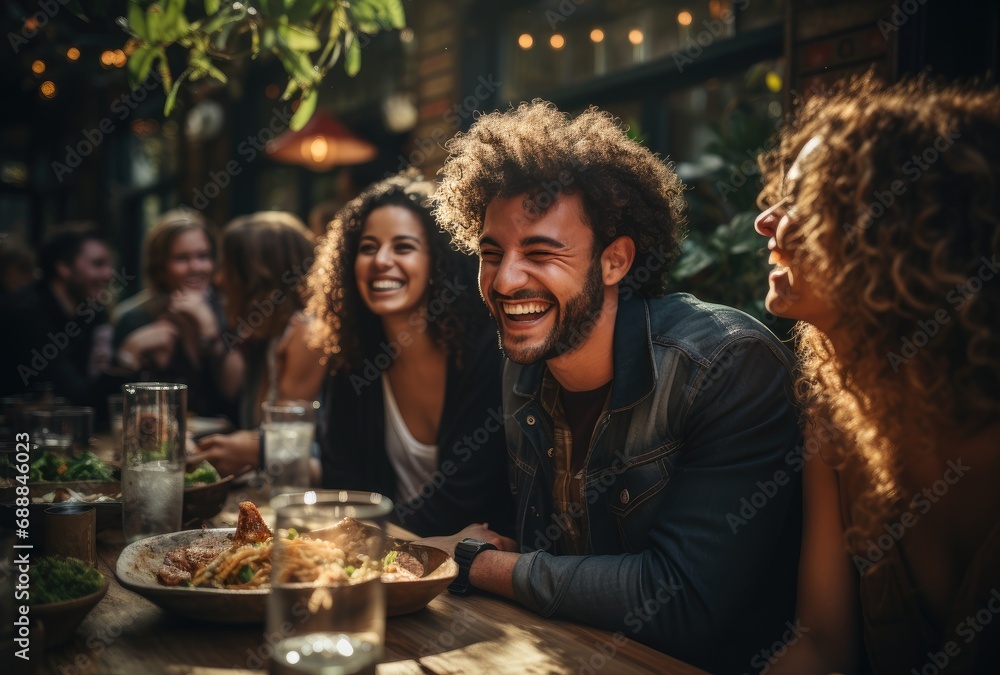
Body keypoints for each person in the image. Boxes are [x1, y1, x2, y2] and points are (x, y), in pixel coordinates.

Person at [425, 101, 803, 672]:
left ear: (615, 261)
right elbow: (556, 569)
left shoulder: (725, 366)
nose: (504, 281)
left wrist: (478, 563)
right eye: (492, 253)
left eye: (540, 252)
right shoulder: (526, 366)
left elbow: (682, 603)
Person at [754, 74, 1000, 674]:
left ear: (900, 236)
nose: (767, 222)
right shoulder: (835, 418)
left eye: (803, 202)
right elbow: (821, 644)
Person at [304, 171, 515, 538]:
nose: (381, 260)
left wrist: (370, 533)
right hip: (380, 565)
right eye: (367, 247)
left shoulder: (489, 352)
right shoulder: (352, 361)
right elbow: (346, 489)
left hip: (478, 579)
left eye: (403, 247)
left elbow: (465, 503)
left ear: (438, 260)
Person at [192, 211, 326, 477]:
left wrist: (253, 451)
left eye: (227, 268)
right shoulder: (264, 337)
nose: (218, 280)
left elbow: (292, 446)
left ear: (259, 280)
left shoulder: (306, 333)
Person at [112, 208, 238, 419]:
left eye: (203, 256)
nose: (196, 267)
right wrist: (130, 351)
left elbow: (234, 397)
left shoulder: (230, 310)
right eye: (182, 258)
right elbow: (114, 407)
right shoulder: (134, 316)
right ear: (159, 267)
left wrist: (210, 330)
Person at [0, 228, 120, 408]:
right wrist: (128, 356)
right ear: (63, 267)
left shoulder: (91, 314)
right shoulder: (25, 313)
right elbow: (76, 398)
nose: (109, 274)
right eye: (98, 264)